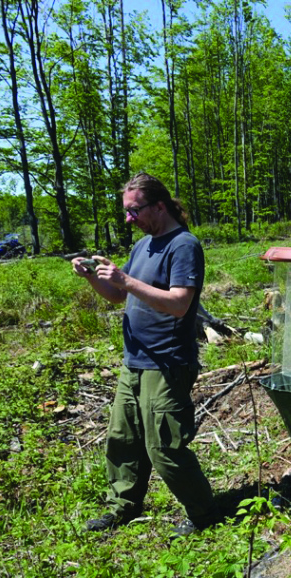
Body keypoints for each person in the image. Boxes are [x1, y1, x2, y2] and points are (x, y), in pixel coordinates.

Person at [74, 173, 217, 536]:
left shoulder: (183, 246)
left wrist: (125, 280)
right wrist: (94, 277)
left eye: (134, 210)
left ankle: (203, 514)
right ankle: (123, 505)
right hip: (134, 361)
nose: (129, 219)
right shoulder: (142, 246)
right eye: (125, 211)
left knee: (164, 447)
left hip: (167, 362)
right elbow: (119, 296)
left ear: (159, 205)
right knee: (123, 439)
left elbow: (181, 304)